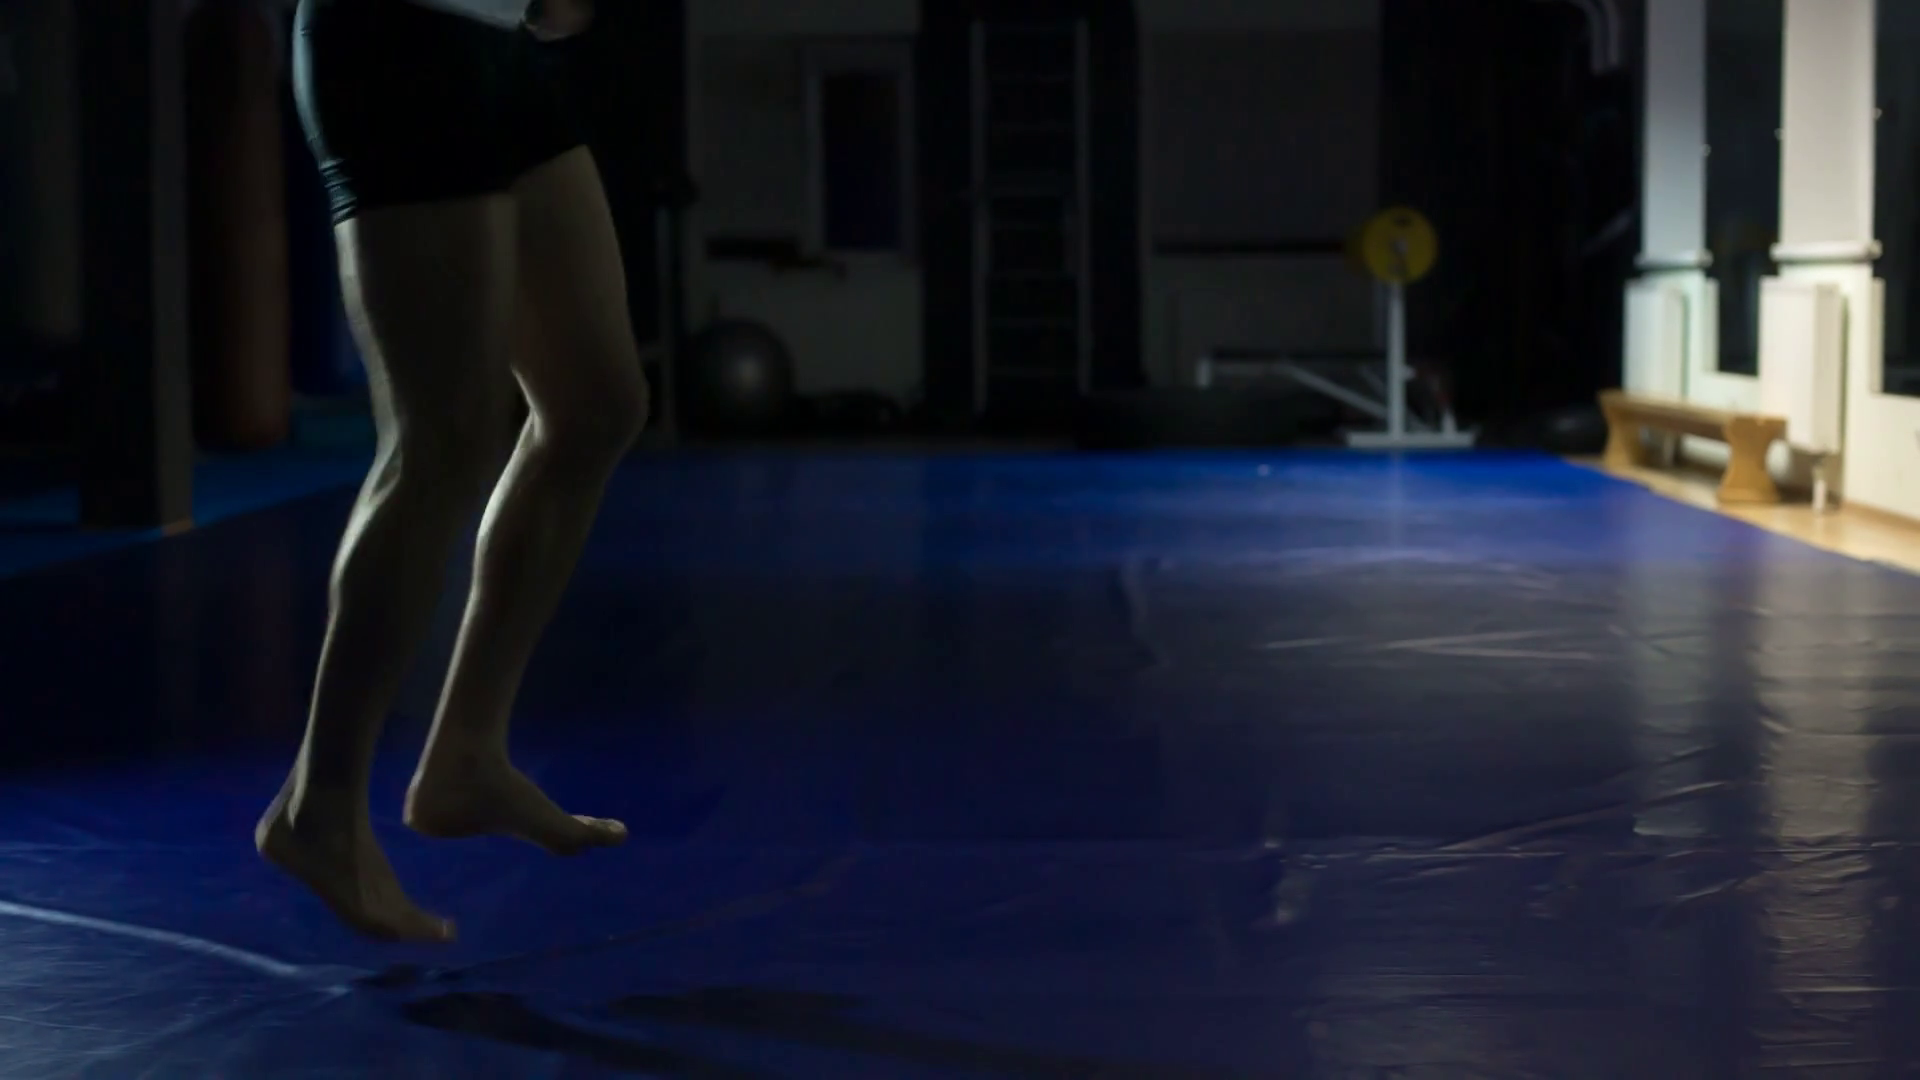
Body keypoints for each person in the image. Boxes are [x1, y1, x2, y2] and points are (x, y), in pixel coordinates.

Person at [256, 0, 647, 943]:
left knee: (597, 404)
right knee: (443, 441)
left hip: (500, 44)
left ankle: (466, 754)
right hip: (401, 35)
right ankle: (319, 806)